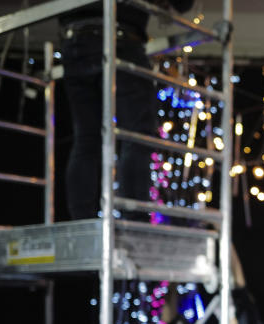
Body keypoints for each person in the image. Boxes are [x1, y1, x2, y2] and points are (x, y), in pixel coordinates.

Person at [59, 0, 193, 220]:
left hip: (75, 38)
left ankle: (84, 224)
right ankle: (134, 218)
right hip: (119, 36)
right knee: (137, 135)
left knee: (87, 138)